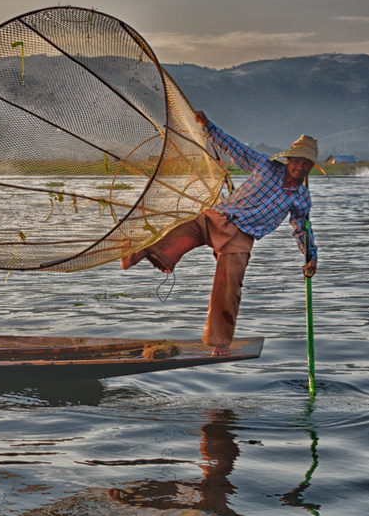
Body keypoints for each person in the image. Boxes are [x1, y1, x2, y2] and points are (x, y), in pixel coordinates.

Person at [123, 111, 319, 350]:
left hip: (242, 236)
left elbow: (301, 229)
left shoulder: (302, 197)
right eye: (296, 161)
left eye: (305, 163)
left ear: (310, 167)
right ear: (289, 160)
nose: (299, 166)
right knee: (178, 230)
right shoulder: (266, 166)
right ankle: (132, 253)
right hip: (219, 218)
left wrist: (310, 257)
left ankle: (219, 342)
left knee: (229, 288)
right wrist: (208, 126)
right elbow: (235, 149)